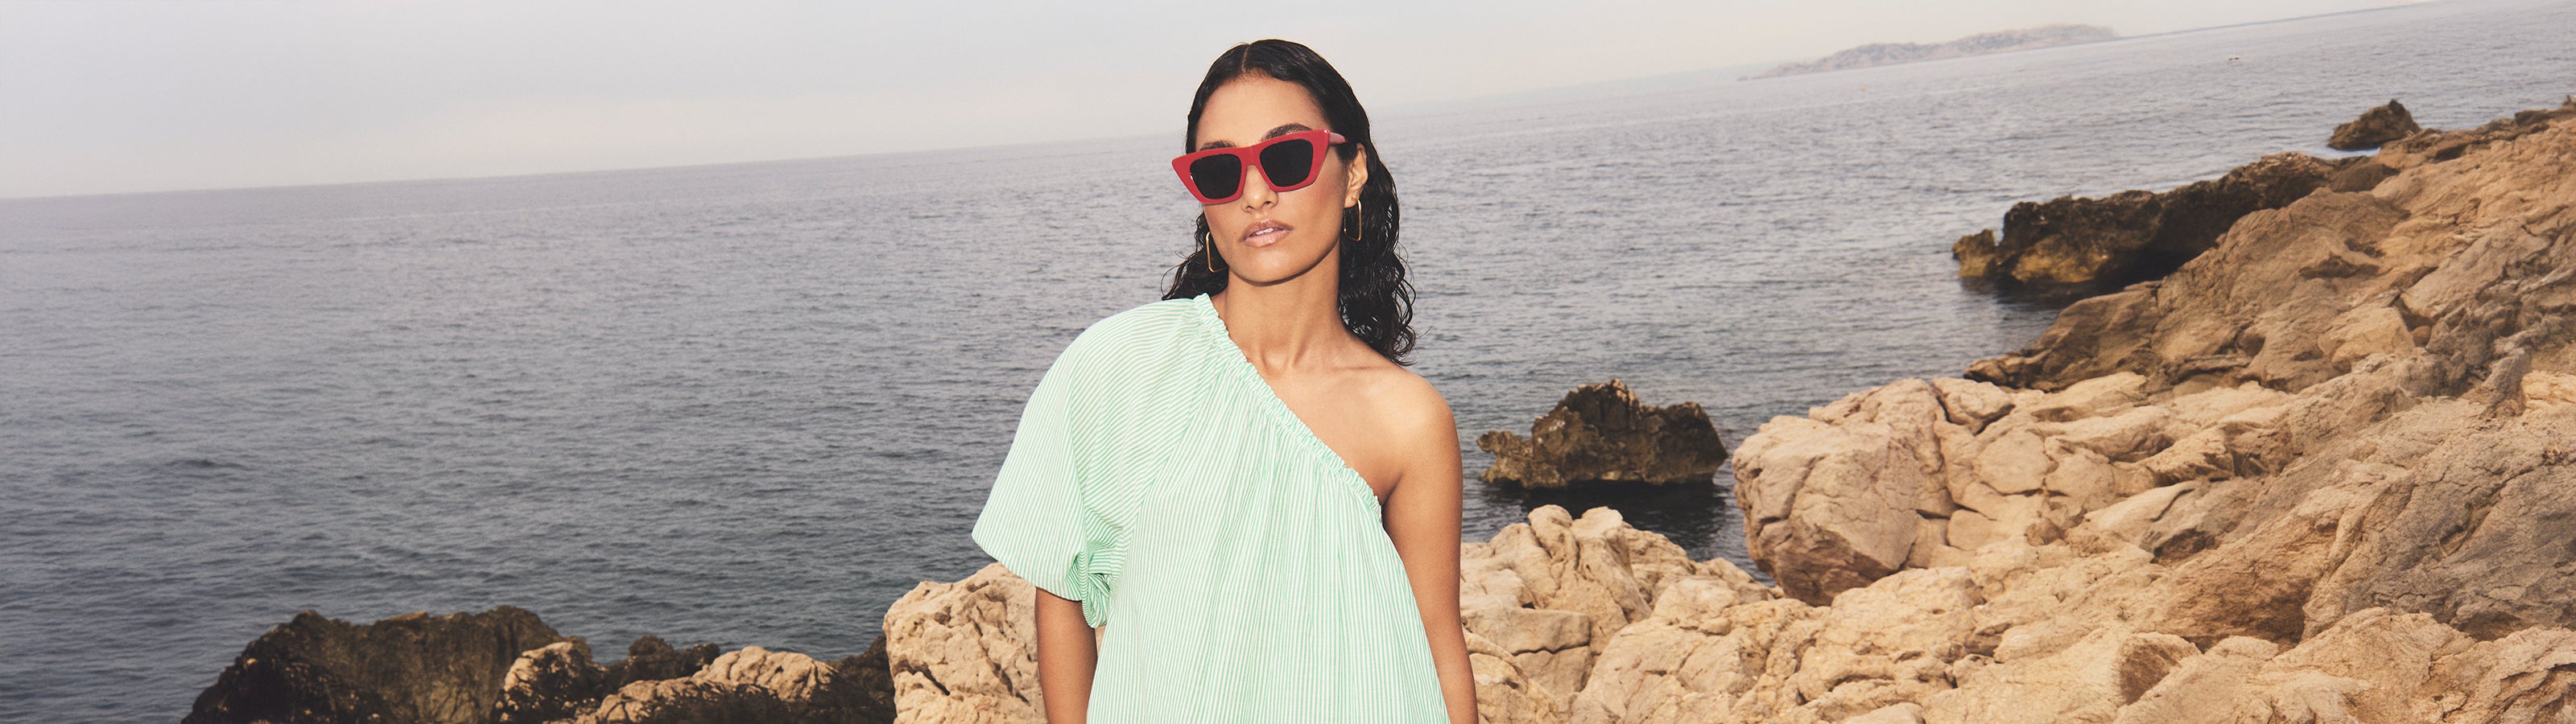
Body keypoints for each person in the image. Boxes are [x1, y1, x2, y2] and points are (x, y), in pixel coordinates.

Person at [969, 39, 1475, 723]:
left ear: (1353, 170)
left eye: (1287, 157)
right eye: (1220, 170)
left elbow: (1437, 648)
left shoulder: (1409, 417)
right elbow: (1063, 595)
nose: (1256, 193)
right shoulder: (1118, 365)